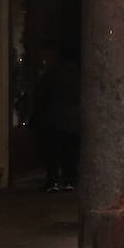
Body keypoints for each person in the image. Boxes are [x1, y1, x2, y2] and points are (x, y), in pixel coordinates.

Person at [30, 43, 79, 192]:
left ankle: (52, 182)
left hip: (54, 120)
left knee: (53, 151)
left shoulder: (53, 73)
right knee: (70, 152)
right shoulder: (79, 75)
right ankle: (70, 180)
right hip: (74, 121)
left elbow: (40, 93)